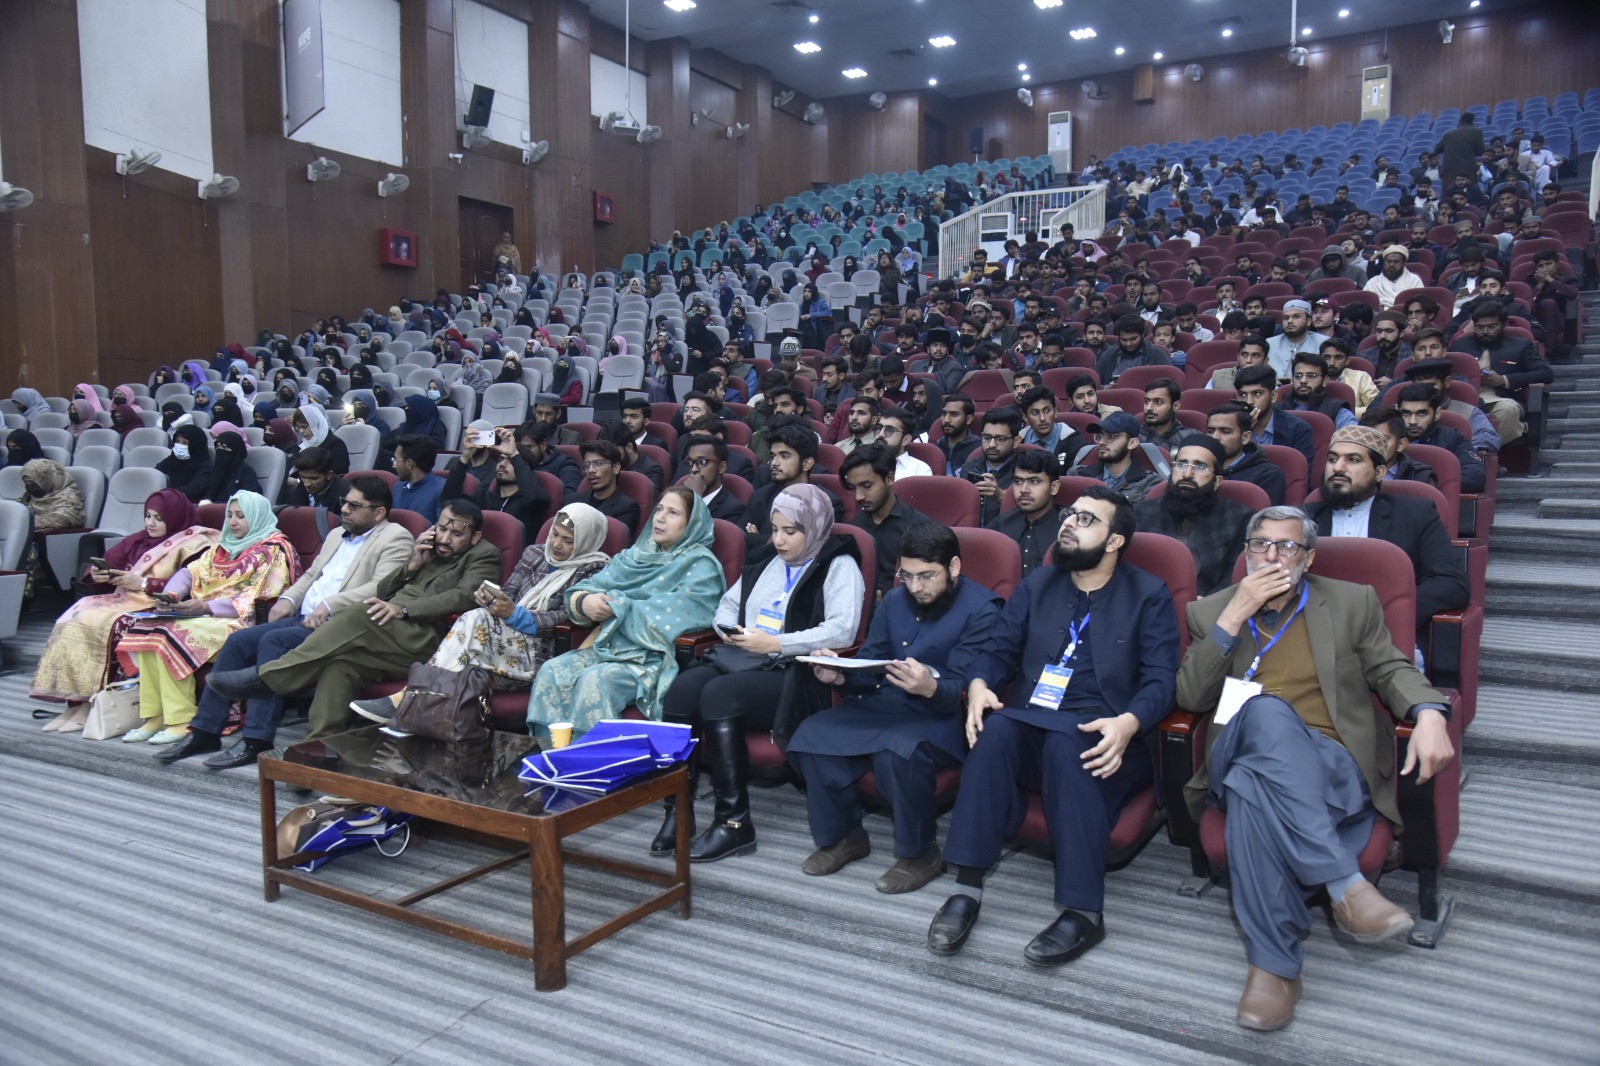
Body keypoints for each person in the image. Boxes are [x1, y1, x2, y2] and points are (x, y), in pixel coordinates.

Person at [1177, 506, 1454, 1031]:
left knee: (1252, 791)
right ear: (1245, 553)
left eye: (1287, 547)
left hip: (1332, 761)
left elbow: (1390, 668)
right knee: (1264, 713)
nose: (1272, 557)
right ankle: (1345, 886)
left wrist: (1429, 711)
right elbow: (1190, 696)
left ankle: (1274, 968)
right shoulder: (1210, 611)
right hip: (1243, 746)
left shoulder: (1352, 602)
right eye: (1261, 545)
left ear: (1309, 558)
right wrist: (1234, 616)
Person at [927, 487, 1180, 965]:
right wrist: (979, 685)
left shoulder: (1148, 595)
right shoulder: (1038, 585)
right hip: (1034, 723)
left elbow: (1162, 680)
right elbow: (997, 651)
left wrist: (1129, 723)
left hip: (1106, 737)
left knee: (1067, 745)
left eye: (1087, 519)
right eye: (1070, 514)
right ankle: (966, 888)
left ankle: (1084, 911)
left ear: (1114, 542)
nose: (1069, 523)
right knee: (997, 731)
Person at [788, 522, 1004, 893]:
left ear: (953, 567)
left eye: (927, 576)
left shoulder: (983, 609)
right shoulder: (894, 601)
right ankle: (845, 836)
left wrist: (930, 688)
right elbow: (872, 664)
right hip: (885, 705)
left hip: (942, 718)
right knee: (812, 734)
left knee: (899, 751)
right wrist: (839, 676)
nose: (916, 587)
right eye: (908, 576)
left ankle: (920, 853)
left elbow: (969, 687)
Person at [657, 485, 865, 862]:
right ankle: (677, 809)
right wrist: (730, 631)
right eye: (775, 529)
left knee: (719, 694)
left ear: (814, 527)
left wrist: (777, 643)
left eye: (790, 531)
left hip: (797, 671)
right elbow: (727, 605)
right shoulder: (767, 557)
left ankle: (733, 823)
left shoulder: (839, 564)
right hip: (745, 659)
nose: (779, 540)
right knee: (681, 689)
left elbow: (843, 631)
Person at [155, 477, 416, 766]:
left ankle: (256, 739)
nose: (344, 510)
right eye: (345, 503)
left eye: (355, 506)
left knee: (273, 641)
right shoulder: (336, 534)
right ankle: (205, 731)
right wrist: (288, 599)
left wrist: (330, 604)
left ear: (378, 513)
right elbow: (311, 575)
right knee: (239, 640)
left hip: (339, 627)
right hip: (304, 617)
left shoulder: (396, 537)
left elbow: (380, 587)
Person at [207, 500, 502, 740]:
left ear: (475, 536)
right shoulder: (427, 549)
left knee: (360, 611)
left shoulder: (484, 555)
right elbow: (384, 590)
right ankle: (320, 746)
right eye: (442, 529)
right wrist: (411, 566)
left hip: (428, 639)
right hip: (388, 634)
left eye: (456, 534)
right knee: (341, 665)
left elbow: (464, 596)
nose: (445, 539)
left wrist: (404, 610)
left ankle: (270, 678)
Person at [347, 503, 613, 727]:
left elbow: (570, 616)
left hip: (542, 652)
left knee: (475, 620)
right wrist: (493, 600)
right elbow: (508, 593)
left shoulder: (595, 569)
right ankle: (415, 721)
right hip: (498, 645)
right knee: (472, 636)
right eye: (555, 534)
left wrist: (518, 616)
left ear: (586, 542)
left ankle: (406, 699)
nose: (556, 544)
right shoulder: (535, 554)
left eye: (568, 541)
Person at [527, 487, 725, 744]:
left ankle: (596, 761)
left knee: (595, 680)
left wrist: (619, 607)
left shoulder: (702, 566)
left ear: (692, 524)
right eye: (659, 509)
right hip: (606, 648)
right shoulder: (636, 555)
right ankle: (551, 753)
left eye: (673, 513)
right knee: (551, 671)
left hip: (653, 658)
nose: (660, 517)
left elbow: (682, 614)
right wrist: (586, 601)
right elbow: (587, 587)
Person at [114, 492, 297, 744]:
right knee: (148, 630)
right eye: (230, 515)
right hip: (203, 615)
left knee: (169, 636)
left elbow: (261, 598)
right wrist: (171, 595)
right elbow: (189, 573)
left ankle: (181, 718)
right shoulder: (223, 547)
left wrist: (207, 607)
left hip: (242, 622)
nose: (233, 522)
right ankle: (156, 716)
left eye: (241, 516)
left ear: (257, 517)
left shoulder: (275, 550)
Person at [30, 490, 217, 730]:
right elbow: (109, 564)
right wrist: (98, 575)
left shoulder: (197, 544)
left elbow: (197, 586)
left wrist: (143, 583)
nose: (151, 523)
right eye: (148, 516)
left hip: (160, 606)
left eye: (159, 518)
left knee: (109, 625)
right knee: (73, 617)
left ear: (175, 517)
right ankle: (75, 702)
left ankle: (92, 704)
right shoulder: (139, 539)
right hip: (123, 599)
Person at [1303, 426, 1469, 631]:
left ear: (1379, 472)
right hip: (1313, 629)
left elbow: (1451, 583)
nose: (1338, 467)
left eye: (1353, 460)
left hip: (1384, 634)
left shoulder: (1415, 515)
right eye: (1332, 459)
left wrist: (1389, 612)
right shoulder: (1301, 519)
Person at [1133, 439, 1251, 594]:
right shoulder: (1141, 512)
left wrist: (1207, 604)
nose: (1187, 474)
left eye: (1200, 467)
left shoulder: (1238, 518)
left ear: (1217, 482)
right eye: (1181, 464)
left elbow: (1234, 577)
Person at [1448, 300, 1552, 447]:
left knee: (1508, 410)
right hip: (1465, 399)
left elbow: (1545, 373)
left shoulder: (1520, 345)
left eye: (1491, 327)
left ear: (1503, 325)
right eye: (1479, 327)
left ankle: (1476, 451)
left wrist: (1504, 380)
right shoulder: (1460, 344)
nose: (1485, 332)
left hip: (1499, 399)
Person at [842, 444, 929, 599]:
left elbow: (925, 584)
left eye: (867, 486)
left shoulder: (919, 529)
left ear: (889, 478)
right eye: (853, 488)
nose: (858, 496)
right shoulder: (852, 529)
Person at [444, 427, 552, 541]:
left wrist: (514, 454)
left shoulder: (532, 503)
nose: (502, 464)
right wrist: (465, 458)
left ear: (522, 467)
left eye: (510, 461)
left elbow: (534, 497)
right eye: (500, 460)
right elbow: (448, 502)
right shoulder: (483, 497)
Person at [1395, 384, 1487, 493]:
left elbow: (1475, 476)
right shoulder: (1387, 438)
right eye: (1406, 413)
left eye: (1422, 413)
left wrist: (1429, 482)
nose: (1413, 421)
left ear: (1437, 414)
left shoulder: (1451, 438)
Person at [991, 450, 1064, 575]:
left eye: (1034, 481)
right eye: (1018, 482)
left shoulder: (1067, 529)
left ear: (1054, 487)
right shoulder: (1001, 523)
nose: (1024, 490)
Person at [1067, 411, 1163, 504]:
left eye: (1112, 436)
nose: (1101, 442)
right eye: (1100, 435)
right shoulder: (1077, 474)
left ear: (1132, 443)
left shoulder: (1149, 482)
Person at [1206, 403, 1287, 506]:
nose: (1215, 437)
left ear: (1245, 437)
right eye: (1210, 431)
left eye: (1225, 431)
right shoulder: (1196, 468)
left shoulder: (1268, 474)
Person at [1235, 365, 1315, 468]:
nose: (1249, 401)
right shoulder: (1231, 428)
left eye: (1257, 393)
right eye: (1242, 395)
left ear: (1273, 396)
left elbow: (1299, 473)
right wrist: (1242, 431)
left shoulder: (1298, 429)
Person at [961, 409, 1021, 527]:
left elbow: (1034, 513)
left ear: (1015, 441)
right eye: (987, 437)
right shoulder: (968, 468)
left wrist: (1001, 496)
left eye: (1000, 439)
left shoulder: (1025, 472)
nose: (992, 445)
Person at [680, 434, 746, 525]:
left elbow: (702, 532)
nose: (693, 469)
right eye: (690, 462)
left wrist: (697, 498)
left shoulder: (733, 509)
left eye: (702, 462)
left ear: (722, 467)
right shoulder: (679, 497)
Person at [576, 438, 641, 531]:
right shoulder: (572, 501)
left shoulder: (627, 508)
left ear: (615, 468)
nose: (591, 470)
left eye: (598, 463)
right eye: (587, 465)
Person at [1264, 300, 1330, 381]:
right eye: (1286, 318)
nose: (1289, 321)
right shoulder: (1270, 343)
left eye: (1296, 317)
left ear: (1308, 321)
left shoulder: (1323, 342)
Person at [1095, 316, 1171, 384]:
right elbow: (1094, 384)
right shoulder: (1109, 354)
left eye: (1133, 339)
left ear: (1142, 335)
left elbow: (1169, 383)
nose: (1128, 344)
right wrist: (1105, 388)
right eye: (1124, 340)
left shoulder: (1156, 354)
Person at [1139, 378, 1206, 451]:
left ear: (1175, 406)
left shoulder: (1191, 438)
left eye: (1158, 402)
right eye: (1146, 402)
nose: (1149, 408)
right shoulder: (1134, 435)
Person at [391, 434, 445, 522]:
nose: (394, 465)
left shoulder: (442, 490)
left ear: (409, 463)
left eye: (396, 460)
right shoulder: (398, 487)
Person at [157, 426, 217, 502]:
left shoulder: (206, 467)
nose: (180, 445)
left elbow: (194, 490)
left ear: (195, 445)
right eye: (177, 441)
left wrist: (167, 493)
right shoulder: (170, 461)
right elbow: (157, 475)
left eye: (185, 443)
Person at [280, 446, 350, 510]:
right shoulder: (298, 489)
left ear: (328, 475)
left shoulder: (345, 496)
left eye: (313, 479)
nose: (307, 484)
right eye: (303, 477)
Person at [1362, 246, 1424, 311]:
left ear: (1403, 263)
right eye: (1388, 261)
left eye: (1396, 261)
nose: (1392, 265)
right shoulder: (1373, 282)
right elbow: (1365, 304)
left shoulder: (1414, 280)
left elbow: (1420, 305)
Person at [1435, 112, 1486, 188]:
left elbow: (1437, 149)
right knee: (1467, 193)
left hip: (1449, 171)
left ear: (1461, 121)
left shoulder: (1449, 134)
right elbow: (1481, 151)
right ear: (1472, 121)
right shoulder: (1476, 131)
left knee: (1449, 194)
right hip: (1467, 170)